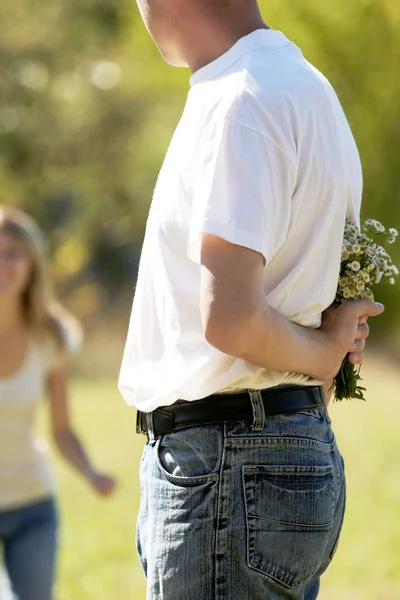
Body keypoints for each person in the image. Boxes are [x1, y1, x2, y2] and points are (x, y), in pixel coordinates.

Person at [119, 2, 384, 599]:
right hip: (276, 450)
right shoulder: (304, 85)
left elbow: (233, 318)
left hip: (226, 462)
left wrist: (321, 355)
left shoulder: (241, 99)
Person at [0, 207, 116, 600]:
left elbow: (62, 429)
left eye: (13, 253)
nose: (4, 264)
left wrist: (90, 473)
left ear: (31, 264)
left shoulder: (50, 337)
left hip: (32, 504)